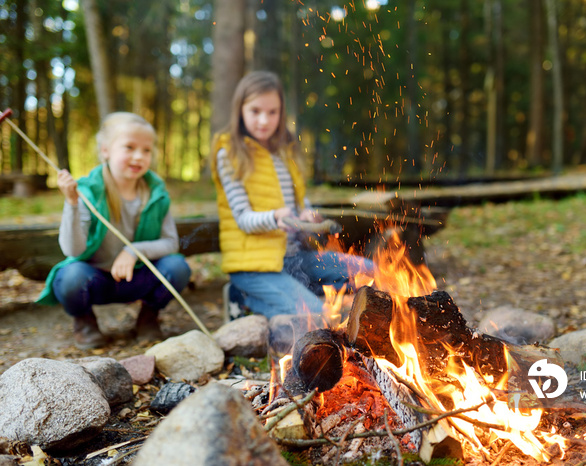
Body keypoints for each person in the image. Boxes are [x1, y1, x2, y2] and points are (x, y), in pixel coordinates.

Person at [211, 70, 374, 319]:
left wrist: (307, 215)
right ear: (240, 110)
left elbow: (298, 201)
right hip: (255, 266)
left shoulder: (285, 152)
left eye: (272, 112)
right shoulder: (230, 153)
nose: (264, 120)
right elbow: (243, 218)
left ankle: (290, 293)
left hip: (295, 258)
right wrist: (275, 218)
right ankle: (245, 297)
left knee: (371, 273)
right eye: (255, 111)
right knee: (317, 317)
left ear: (281, 112)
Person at [36, 112, 191, 349]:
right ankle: (85, 322)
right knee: (69, 277)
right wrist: (72, 203)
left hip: (136, 277)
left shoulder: (156, 193)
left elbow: (170, 243)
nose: (139, 156)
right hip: (94, 279)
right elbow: (72, 249)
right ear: (106, 150)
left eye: (146, 150)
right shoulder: (89, 191)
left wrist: (133, 251)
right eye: (129, 147)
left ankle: (148, 318)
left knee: (177, 267)